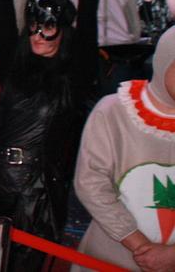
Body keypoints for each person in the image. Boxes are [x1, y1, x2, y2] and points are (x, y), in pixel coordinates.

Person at [0, 0, 120, 270]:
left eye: (49, 28)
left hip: (40, 196)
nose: (39, 35)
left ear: (63, 31)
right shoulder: (16, 62)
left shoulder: (74, 76)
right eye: (34, 27)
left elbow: (88, 14)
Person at [73, 25, 175, 272]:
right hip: (111, 255)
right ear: (164, 62)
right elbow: (91, 182)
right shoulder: (114, 110)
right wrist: (140, 245)